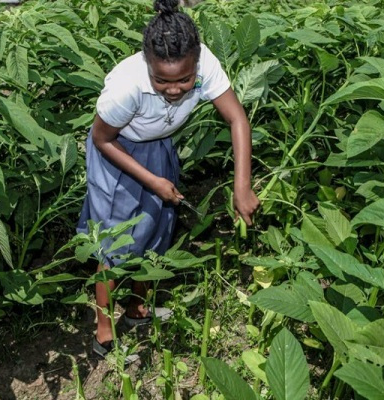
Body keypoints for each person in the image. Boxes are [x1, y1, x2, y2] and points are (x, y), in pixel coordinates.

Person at [77, 0, 260, 362]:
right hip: (117, 151)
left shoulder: (205, 62)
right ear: (148, 65)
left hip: (156, 145)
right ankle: (104, 334)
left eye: (184, 80)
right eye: (162, 80)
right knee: (115, 243)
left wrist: (243, 186)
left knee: (156, 229)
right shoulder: (126, 87)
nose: (174, 89)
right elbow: (102, 139)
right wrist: (153, 181)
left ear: (195, 63)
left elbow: (237, 119)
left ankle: (137, 310)